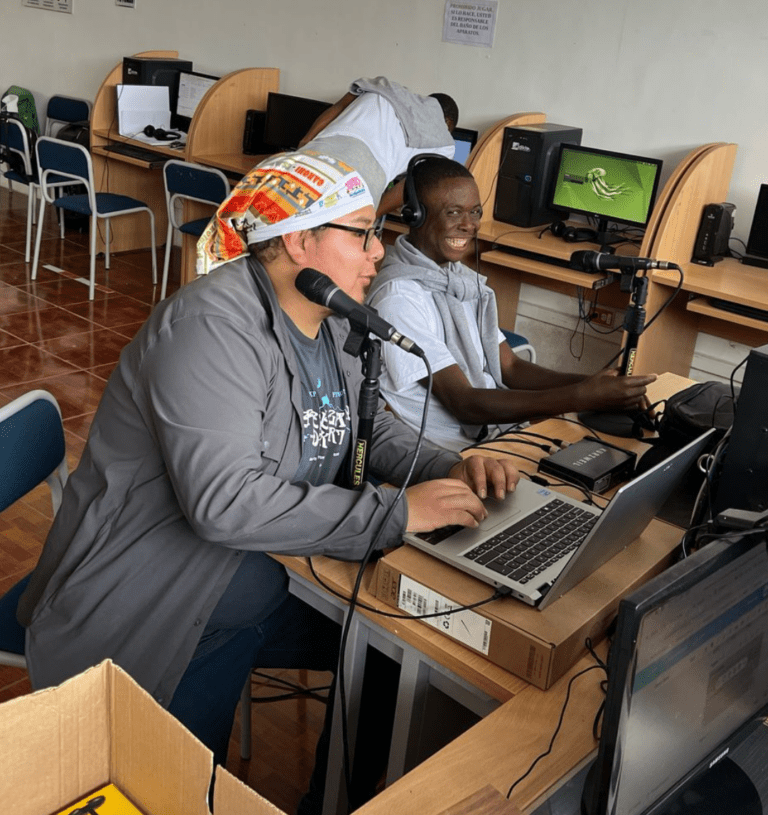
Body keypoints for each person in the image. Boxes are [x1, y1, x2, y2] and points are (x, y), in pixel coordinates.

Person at [18, 148, 518, 812]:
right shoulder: (210, 329)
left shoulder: (328, 318)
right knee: (177, 794)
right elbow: (223, 505)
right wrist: (395, 514)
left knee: (396, 654)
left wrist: (448, 467)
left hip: (262, 581)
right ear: (297, 240)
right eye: (362, 233)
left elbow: (368, 429)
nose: (379, 251)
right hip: (159, 603)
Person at [366, 156, 657, 453]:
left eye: (475, 212)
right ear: (414, 215)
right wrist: (581, 397)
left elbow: (511, 367)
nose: (468, 225)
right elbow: (464, 403)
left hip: (497, 431)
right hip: (453, 452)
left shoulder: (457, 279)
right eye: (453, 212)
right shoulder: (399, 299)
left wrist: (598, 387)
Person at [298, 76, 459, 217]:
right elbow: (411, 183)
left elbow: (338, 107)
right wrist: (372, 215)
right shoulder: (445, 143)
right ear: (447, 123)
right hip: (361, 173)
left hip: (316, 150)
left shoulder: (383, 87)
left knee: (288, 213)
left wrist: (305, 143)